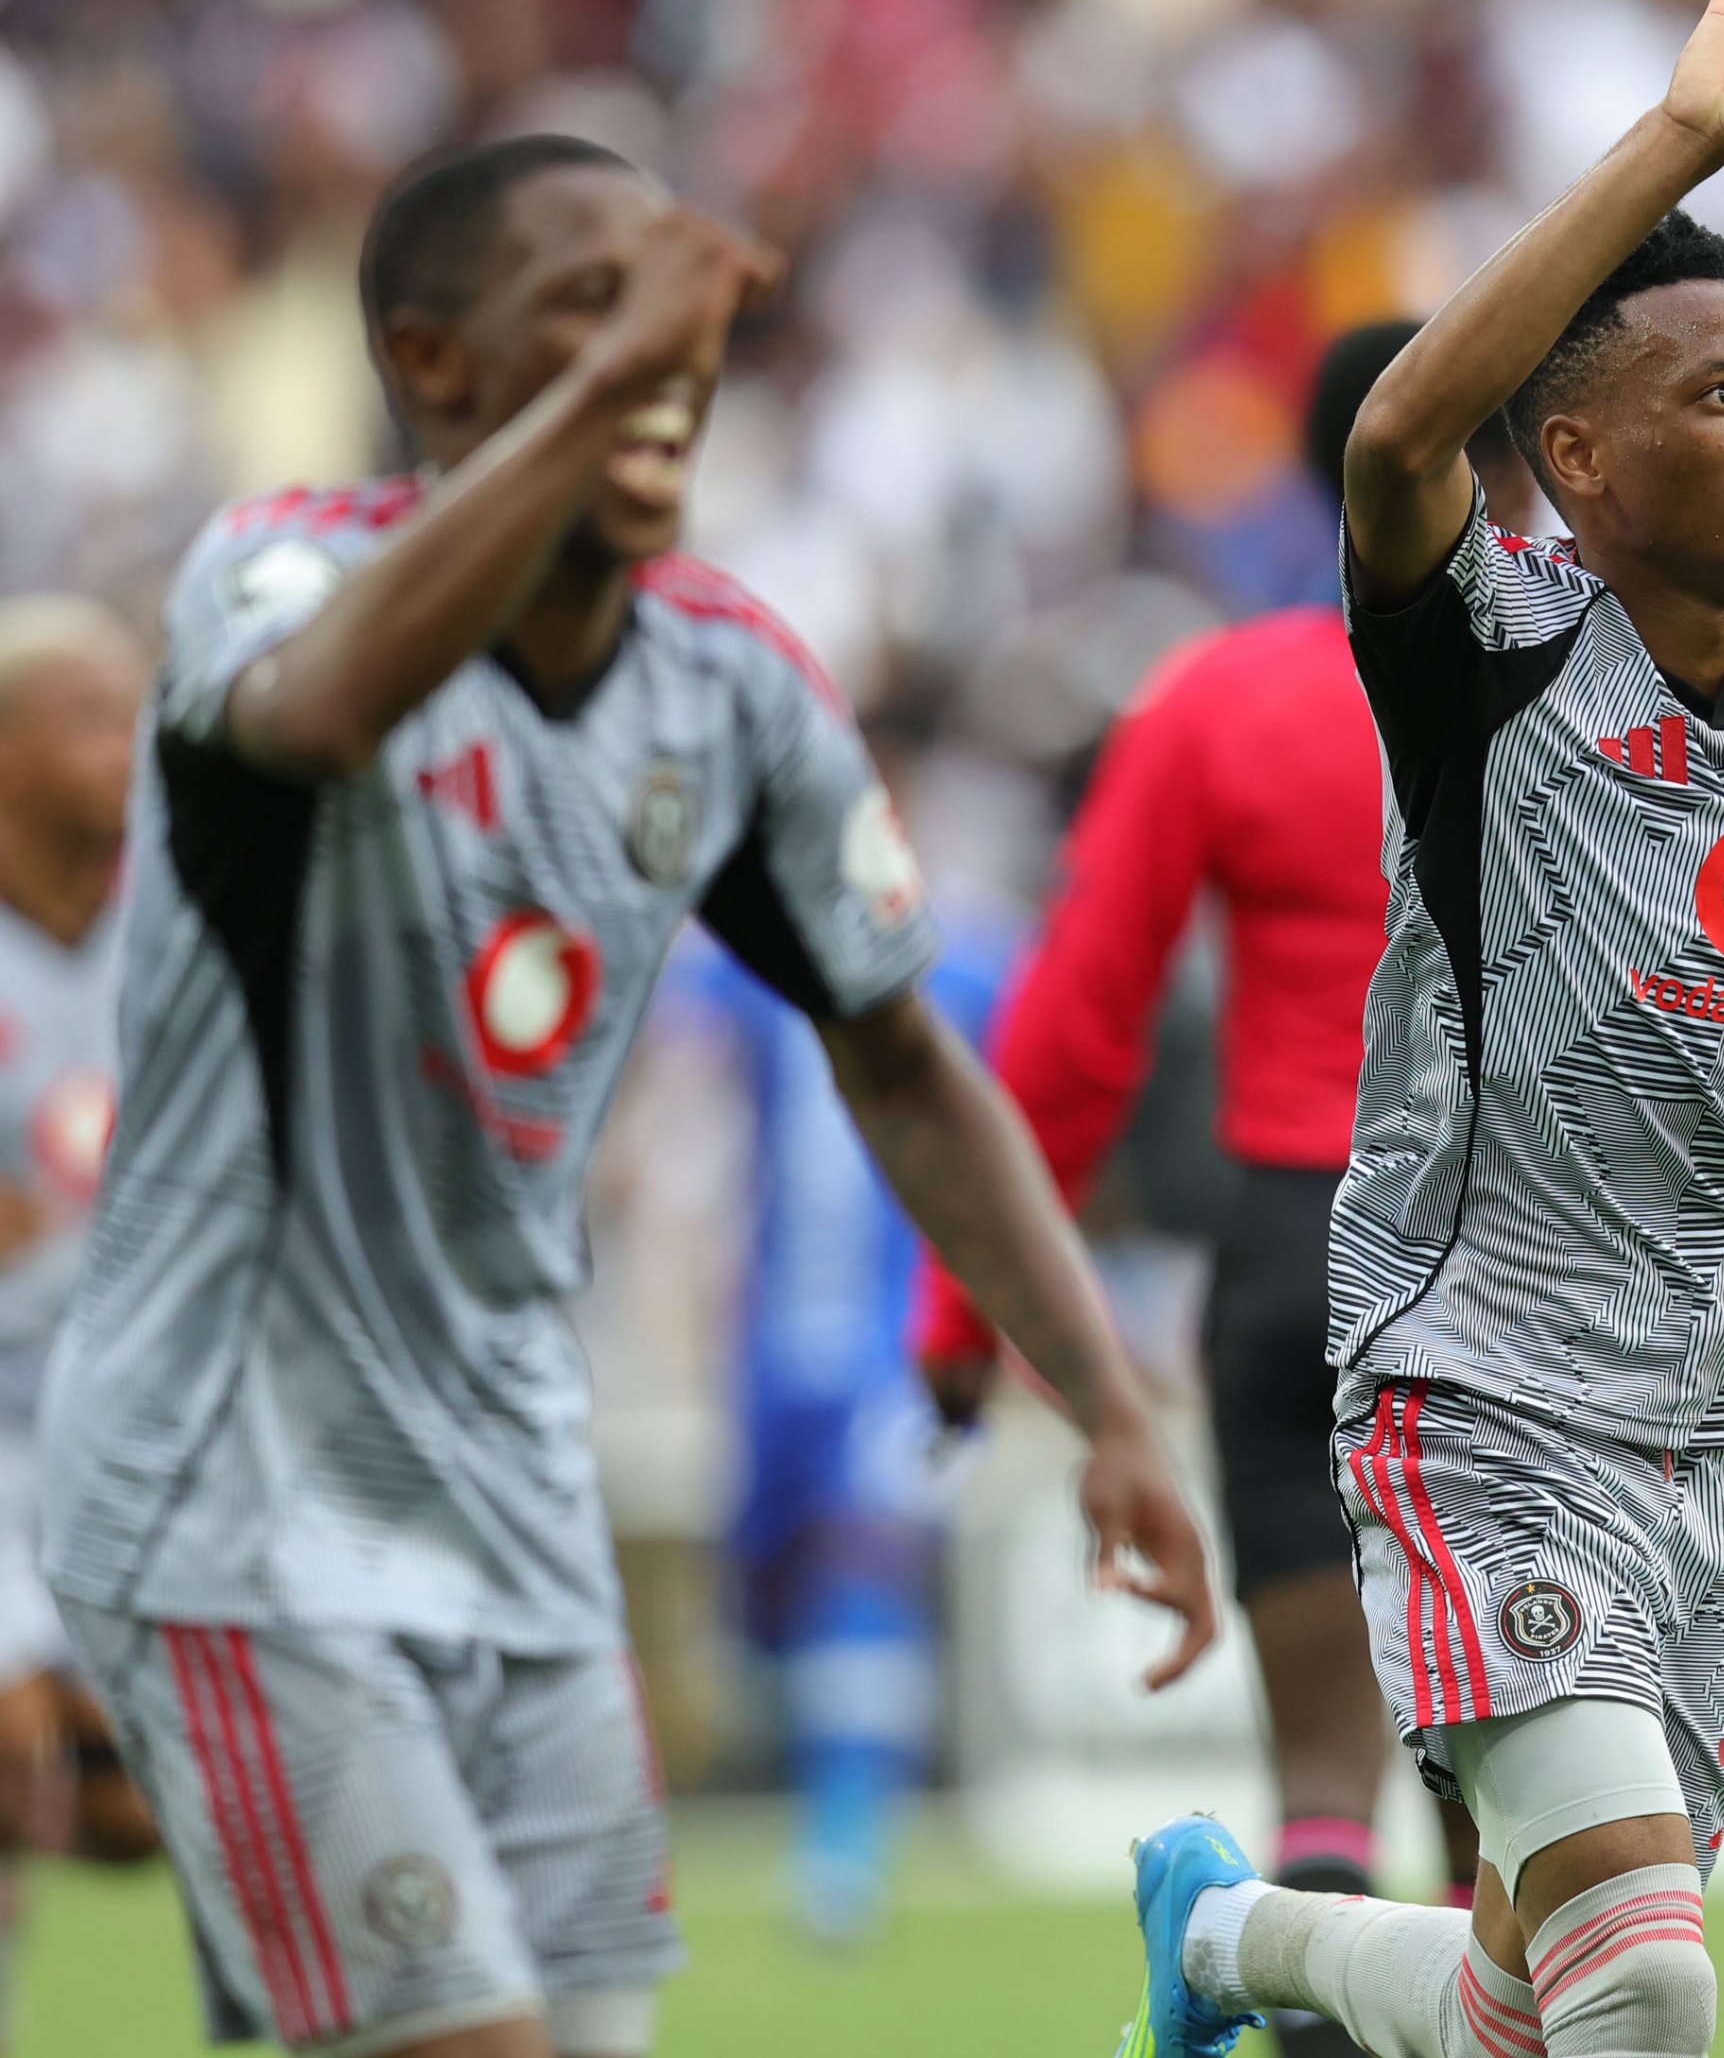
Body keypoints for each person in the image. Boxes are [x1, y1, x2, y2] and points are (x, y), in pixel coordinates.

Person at [37, 133, 1216, 2058]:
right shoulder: (277, 572)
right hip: (230, 1486)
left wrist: (1100, 1399)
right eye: (589, 309)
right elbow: (321, 713)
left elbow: (901, 1052)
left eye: (678, 310)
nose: (666, 352)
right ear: (435, 364)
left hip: (510, 1491)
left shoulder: (726, 678)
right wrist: (611, 381)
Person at [1118, 0, 1724, 2058]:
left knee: (1541, 1998)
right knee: (1651, 2000)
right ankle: (1239, 1946)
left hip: (1718, 1398)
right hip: (1479, 1381)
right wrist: (1676, 128)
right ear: (1583, 467)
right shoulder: (1488, 652)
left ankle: (1225, 1943)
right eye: (1717, 396)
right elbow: (1404, 431)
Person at [915, 328, 1530, 2058]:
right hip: (1506, 1249)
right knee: (1517, 1804)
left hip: (1294, 1243)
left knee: (1326, 1775)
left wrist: (961, 1314)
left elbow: (1069, 1036)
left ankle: (1239, 1954)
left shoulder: (1222, 697)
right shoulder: (1589, 678)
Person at [654, 879, 1013, 1943]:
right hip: (769, 1355)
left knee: (866, 1561)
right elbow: (676, 1073)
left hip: (906, 1345)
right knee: (771, 1615)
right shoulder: (757, 965)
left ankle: (844, 1846)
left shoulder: (977, 962)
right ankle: (822, 1788)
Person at [0, 598, 157, 2050]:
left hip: (133, 1435)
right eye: (90, 717)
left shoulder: (177, 937)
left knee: (129, 1818)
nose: (133, 745)